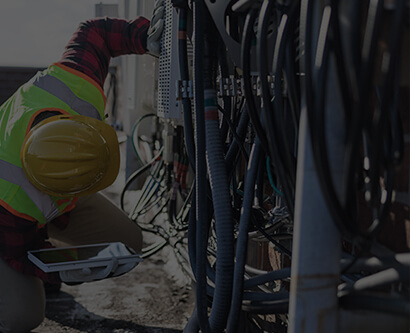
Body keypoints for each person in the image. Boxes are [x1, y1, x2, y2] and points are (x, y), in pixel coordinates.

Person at [0, 1, 165, 332]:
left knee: (127, 243)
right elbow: (18, 251)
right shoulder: (12, 202)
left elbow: (96, 32)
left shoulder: (73, 87)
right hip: (8, 225)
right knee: (21, 316)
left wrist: (145, 37)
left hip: (46, 199)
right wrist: (58, 269)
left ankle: (47, 243)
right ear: (47, 186)